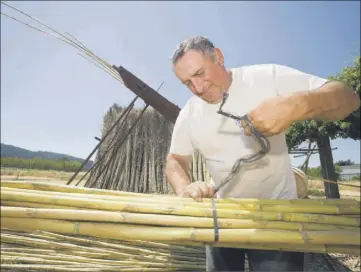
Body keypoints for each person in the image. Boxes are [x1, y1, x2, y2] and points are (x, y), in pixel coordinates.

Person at [164, 36, 360, 271]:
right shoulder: (190, 114)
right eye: (187, 83)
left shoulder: (265, 77)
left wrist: (295, 105)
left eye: (199, 73)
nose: (197, 88)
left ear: (218, 56)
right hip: (223, 214)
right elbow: (175, 160)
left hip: (278, 216)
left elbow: (349, 98)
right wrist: (184, 187)